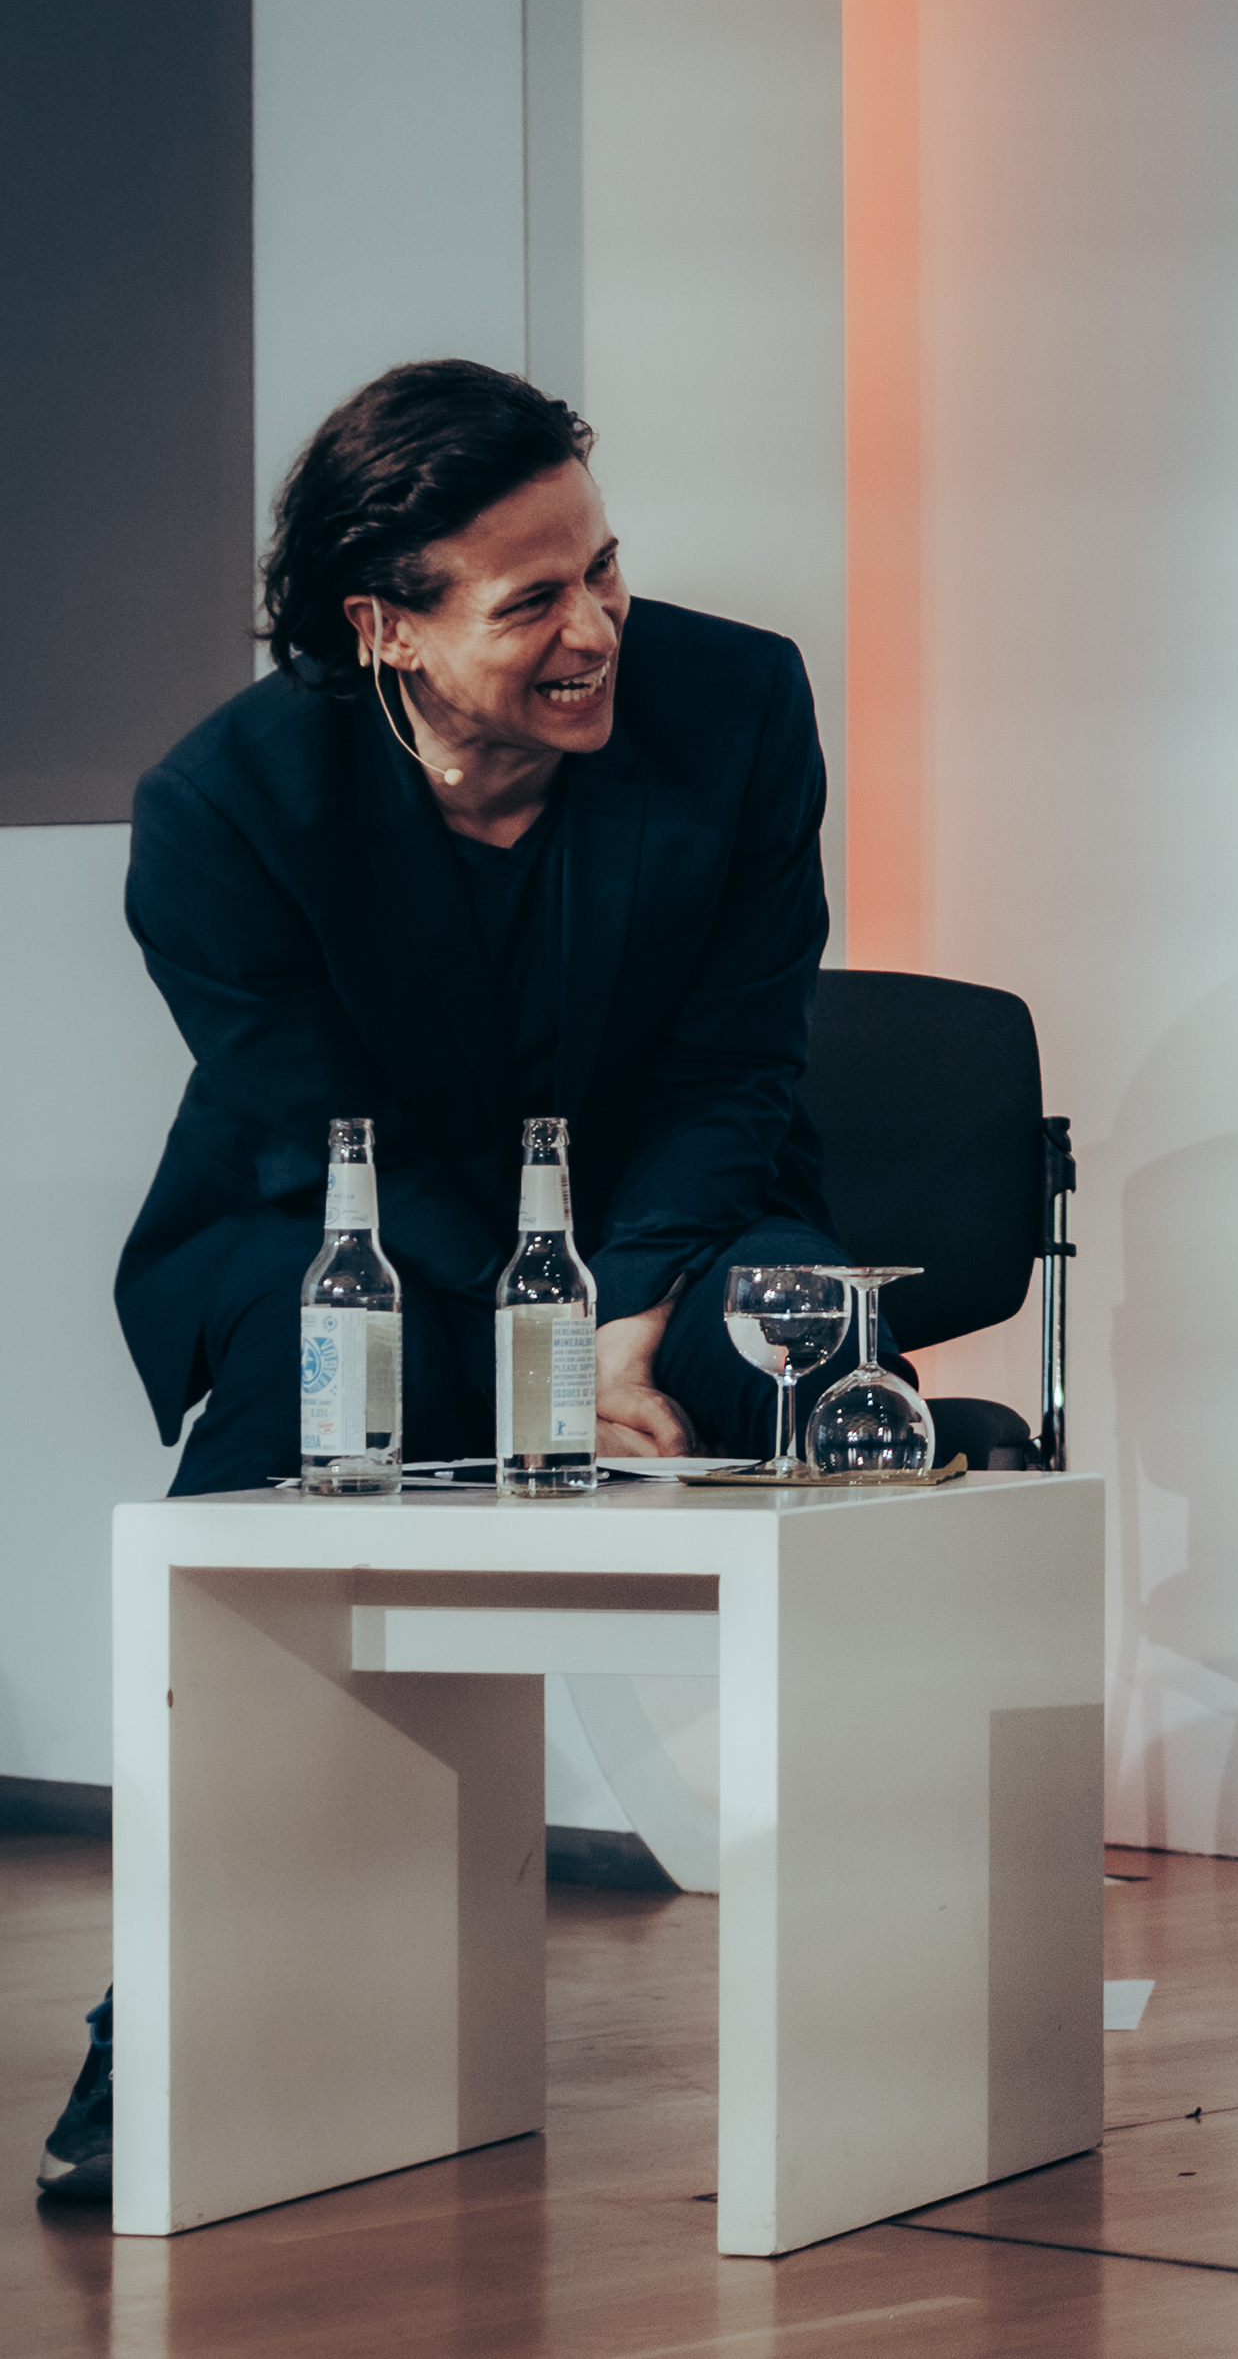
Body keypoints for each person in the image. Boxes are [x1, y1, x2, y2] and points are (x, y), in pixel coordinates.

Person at [37, 359, 857, 2204]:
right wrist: (545, 1343)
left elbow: (738, 1062)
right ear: (383, 626)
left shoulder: (739, 704)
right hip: (352, 1227)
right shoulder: (224, 810)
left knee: (814, 1357)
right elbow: (337, 1138)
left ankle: (906, 2004)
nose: (600, 629)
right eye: (532, 600)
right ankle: (158, 2025)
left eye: (606, 568)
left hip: (677, 1221)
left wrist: (620, 1316)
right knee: (296, 1397)